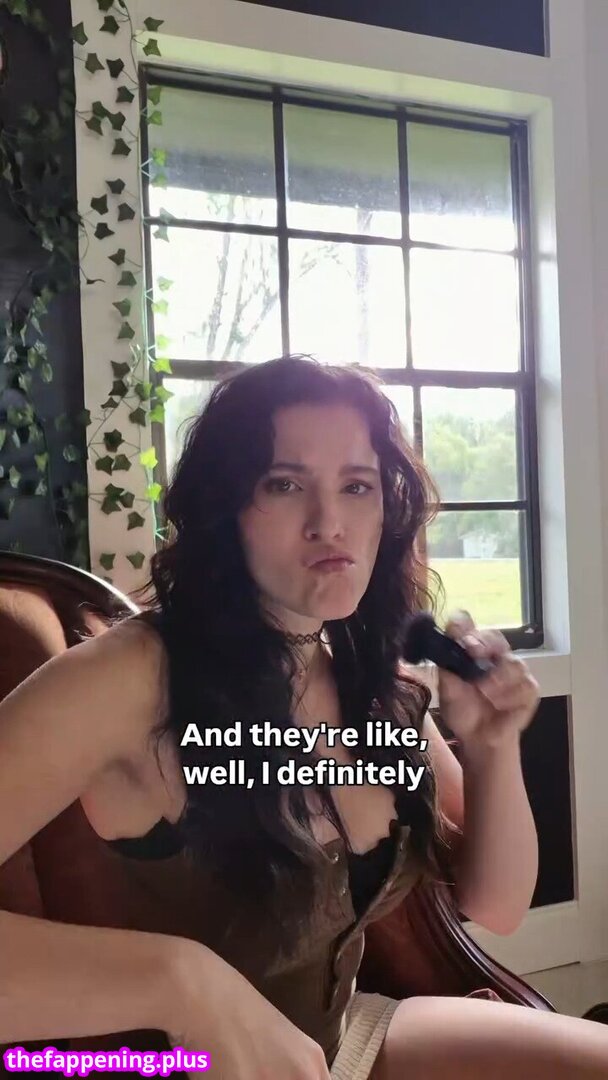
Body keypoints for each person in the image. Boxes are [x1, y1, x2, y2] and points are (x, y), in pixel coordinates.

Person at [1, 353, 607, 1080]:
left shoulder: (369, 679)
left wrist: (492, 748)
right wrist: (179, 982)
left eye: (357, 486)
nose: (330, 524)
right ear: (227, 506)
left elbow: (498, 905)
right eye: (284, 484)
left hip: (344, 1042)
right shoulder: (128, 676)